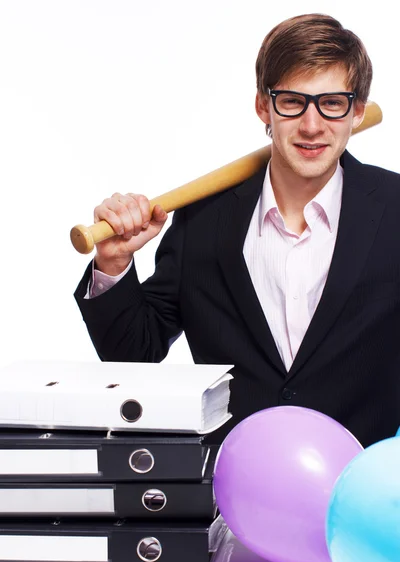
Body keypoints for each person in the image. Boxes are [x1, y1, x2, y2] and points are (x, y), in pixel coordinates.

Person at [75, 13, 400, 447]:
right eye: (292, 101)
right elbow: (134, 352)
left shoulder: (395, 209)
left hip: (364, 497)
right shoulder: (202, 221)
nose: (311, 125)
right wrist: (113, 262)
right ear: (264, 106)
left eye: (332, 103)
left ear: (356, 111)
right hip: (234, 499)